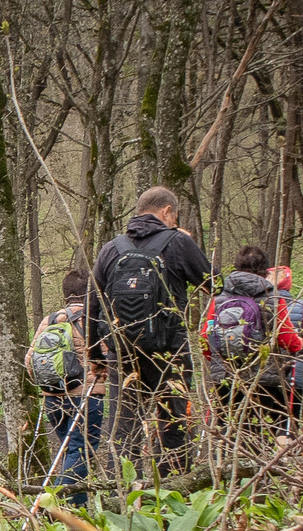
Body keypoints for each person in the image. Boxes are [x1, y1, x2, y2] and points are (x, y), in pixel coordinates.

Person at [86, 185, 212, 469]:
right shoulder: (178, 243)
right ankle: (173, 490)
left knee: (123, 431)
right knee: (174, 426)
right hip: (170, 353)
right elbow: (214, 284)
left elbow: (92, 303)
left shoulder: (111, 249)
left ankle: (123, 491)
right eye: (174, 217)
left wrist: (96, 356)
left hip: (124, 353)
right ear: (167, 211)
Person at [200, 246, 302, 433]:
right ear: (265, 270)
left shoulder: (220, 299)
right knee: (264, 435)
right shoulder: (273, 299)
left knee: (230, 435)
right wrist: (299, 344)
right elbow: (288, 340)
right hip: (266, 381)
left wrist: (218, 361)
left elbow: (205, 338)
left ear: (237, 266)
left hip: (226, 378)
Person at [27, 269, 99, 488]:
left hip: (52, 398)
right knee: (81, 450)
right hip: (86, 395)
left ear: (65, 293)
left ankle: (77, 503)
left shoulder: (49, 321)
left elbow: (30, 360)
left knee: (70, 451)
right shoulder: (92, 318)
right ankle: (57, 499)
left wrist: (47, 383)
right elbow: (108, 357)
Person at [268, 264, 303, 426]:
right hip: (295, 375)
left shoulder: (261, 304)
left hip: (266, 374)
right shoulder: (301, 306)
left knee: (266, 422)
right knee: (289, 423)